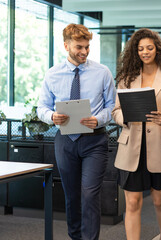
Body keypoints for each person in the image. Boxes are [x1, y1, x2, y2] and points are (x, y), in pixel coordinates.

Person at [37, 23, 116, 240]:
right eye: (79, 47)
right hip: (65, 140)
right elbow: (41, 107)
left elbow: (113, 106)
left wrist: (98, 119)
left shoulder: (102, 72)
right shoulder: (52, 74)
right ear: (66, 45)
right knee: (71, 195)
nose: (84, 51)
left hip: (95, 140)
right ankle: (75, 237)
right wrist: (51, 116)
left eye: (87, 47)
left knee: (89, 193)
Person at [112, 28, 161, 240]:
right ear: (135, 51)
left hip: (160, 147)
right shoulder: (126, 79)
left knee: (159, 201)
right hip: (131, 147)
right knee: (133, 202)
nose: (145, 52)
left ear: (157, 50)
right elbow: (116, 111)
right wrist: (123, 118)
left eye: (149, 48)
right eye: (140, 48)